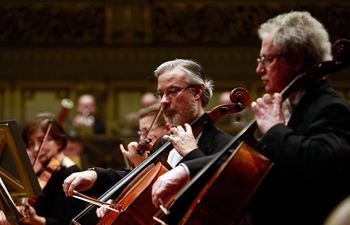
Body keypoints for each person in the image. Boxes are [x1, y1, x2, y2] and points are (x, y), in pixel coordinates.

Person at [151, 11, 350, 225]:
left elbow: (321, 163)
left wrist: (274, 129)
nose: (259, 69)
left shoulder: (330, 107)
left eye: (267, 59)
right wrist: (186, 169)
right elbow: (241, 159)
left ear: (297, 60)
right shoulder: (292, 106)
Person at [62, 59, 233, 219]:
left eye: (172, 91)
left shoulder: (225, 145)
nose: (164, 101)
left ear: (197, 91)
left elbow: (222, 195)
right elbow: (138, 177)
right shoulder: (164, 142)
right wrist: (94, 176)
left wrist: (191, 153)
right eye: (161, 94)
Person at [0, 114, 85, 225]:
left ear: (58, 143)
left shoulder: (69, 173)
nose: (35, 149)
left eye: (41, 141)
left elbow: (65, 222)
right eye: (31, 143)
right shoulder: (43, 168)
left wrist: (37, 220)